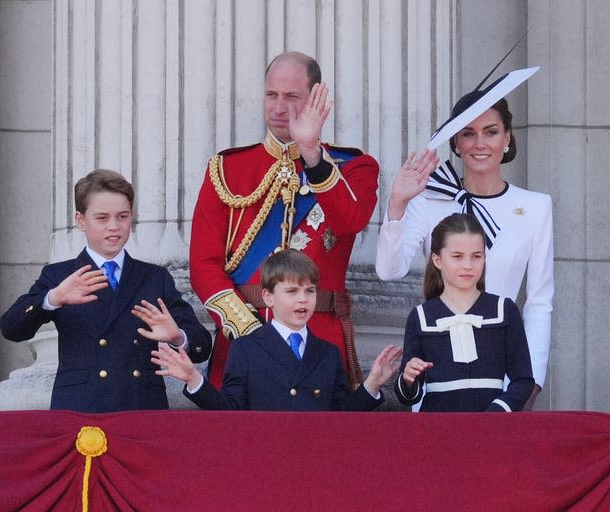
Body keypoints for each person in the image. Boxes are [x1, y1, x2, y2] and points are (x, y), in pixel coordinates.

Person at [190, 51, 379, 390]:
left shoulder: (354, 168)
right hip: (243, 339)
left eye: (291, 97)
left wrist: (312, 155)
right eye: (271, 95)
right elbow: (204, 263)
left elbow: (351, 221)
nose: (279, 108)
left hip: (318, 339)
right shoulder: (227, 169)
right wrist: (248, 330)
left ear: (316, 99)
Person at [376, 90, 553, 410]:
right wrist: (398, 202)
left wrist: (532, 383)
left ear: (508, 138)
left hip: (503, 374)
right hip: (438, 368)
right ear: (456, 142)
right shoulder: (428, 200)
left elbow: (539, 302)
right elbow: (389, 270)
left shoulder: (536, 207)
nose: (480, 143)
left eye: (491, 132)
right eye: (468, 133)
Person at [0, 169, 212, 412]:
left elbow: (201, 347)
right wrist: (53, 298)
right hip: (81, 407)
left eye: (122, 216)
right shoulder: (59, 275)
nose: (114, 226)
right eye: (102, 218)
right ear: (81, 220)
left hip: (141, 406)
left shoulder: (154, 277)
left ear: (131, 216)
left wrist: (178, 337)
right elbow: (11, 328)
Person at [153, 249, 401, 411]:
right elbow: (230, 410)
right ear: (268, 297)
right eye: (292, 292)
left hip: (315, 463)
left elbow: (341, 416)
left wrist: (372, 384)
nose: (303, 300)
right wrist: (194, 379)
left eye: (310, 291)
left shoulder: (328, 352)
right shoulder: (246, 348)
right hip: (264, 463)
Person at [394, 213, 534, 412]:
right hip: (437, 431)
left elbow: (523, 381)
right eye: (457, 256)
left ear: (485, 258)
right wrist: (409, 378)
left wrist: (496, 413)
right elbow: (407, 397)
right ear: (437, 260)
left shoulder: (504, 310)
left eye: (476, 256)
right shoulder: (421, 317)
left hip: (491, 431)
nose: (468, 265)